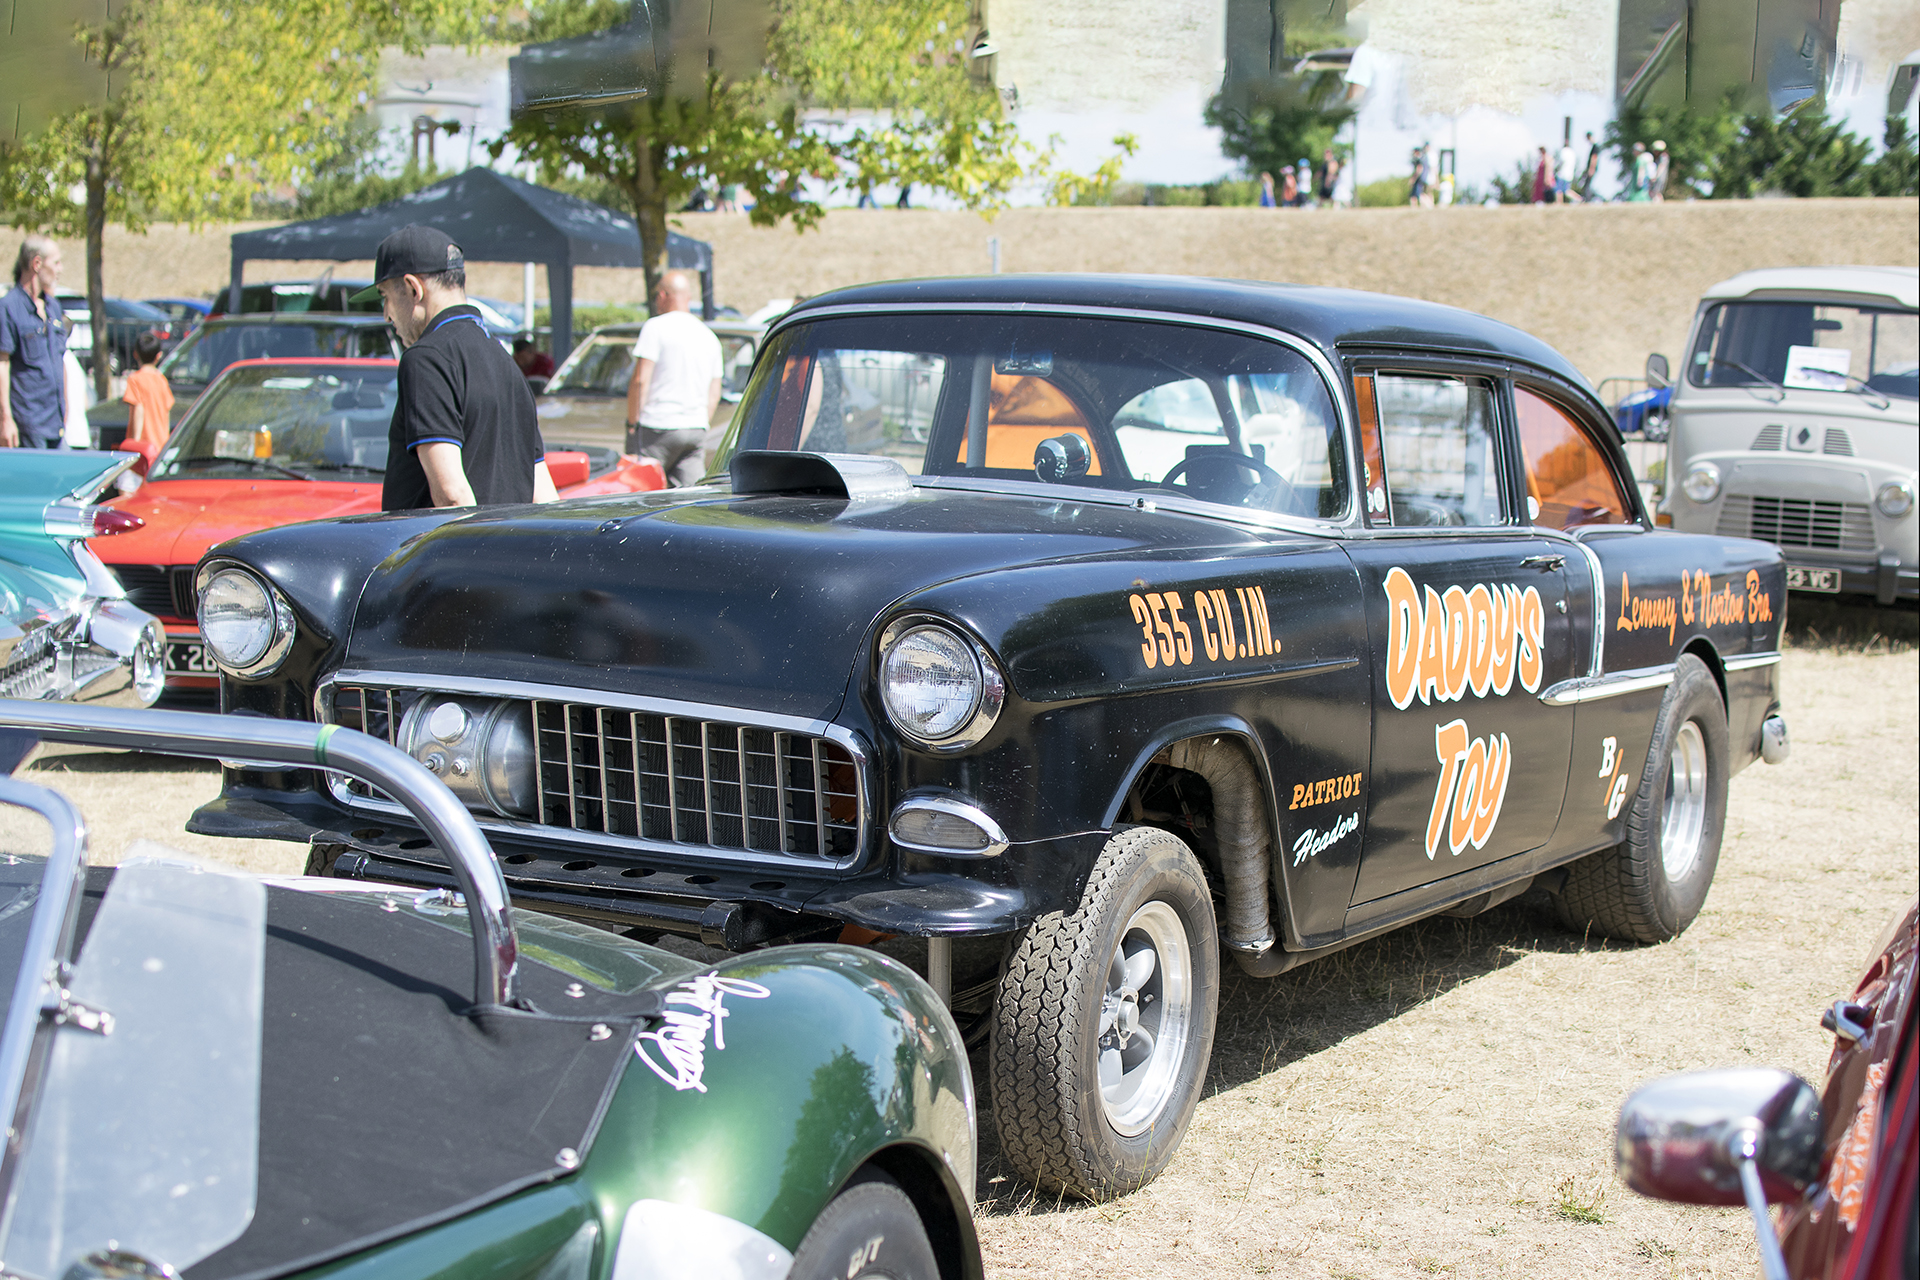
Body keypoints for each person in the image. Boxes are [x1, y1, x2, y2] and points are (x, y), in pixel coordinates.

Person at [350, 224, 556, 511]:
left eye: (385, 296)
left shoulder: (426, 358)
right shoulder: (505, 361)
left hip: (446, 553)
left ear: (412, 288)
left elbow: (451, 495)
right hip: (507, 551)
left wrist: (473, 554)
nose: (386, 314)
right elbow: (544, 497)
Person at [623, 269, 723, 487]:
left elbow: (640, 380)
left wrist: (632, 424)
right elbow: (714, 393)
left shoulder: (655, 327)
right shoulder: (709, 336)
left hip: (657, 427)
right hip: (694, 430)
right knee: (690, 502)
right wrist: (700, 421)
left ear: (663, 296)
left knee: (640, 495)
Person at [0, 234, 69, 449]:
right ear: (37, 264)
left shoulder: (53, 307)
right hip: (29, 424)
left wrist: (65, 406)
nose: (60, 269)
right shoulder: (8, 307)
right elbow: (2, 364)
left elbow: (60, 359)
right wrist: (5, 419)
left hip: (55, 422)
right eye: (56, 262)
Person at [122, 331, 173, 449]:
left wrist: (135, 442)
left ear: (135, 354)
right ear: (159, 355)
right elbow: (167, 411)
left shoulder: (135, 379)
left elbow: (138, 408)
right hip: (161, 445)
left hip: (144, 446)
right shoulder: (162, 379)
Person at [1578, 130, 1602, 200]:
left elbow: (1594, 158)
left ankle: (1588, 200)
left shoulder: (1595, 146)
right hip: (1591, 168)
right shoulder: (1594, 146)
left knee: (1587, 186)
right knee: (1587, 185)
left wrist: (1592, 168)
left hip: (1592, 168)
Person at [1555, 138, 1577, 203]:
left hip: (1562, 173)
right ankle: (1580, 199)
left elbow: (1561, 162)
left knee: (1559, 190)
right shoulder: (1572, 152)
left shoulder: (1563, 151)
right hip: (1570, 174)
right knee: (1567, 191)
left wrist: (1557, 169)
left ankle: (1559, 203)